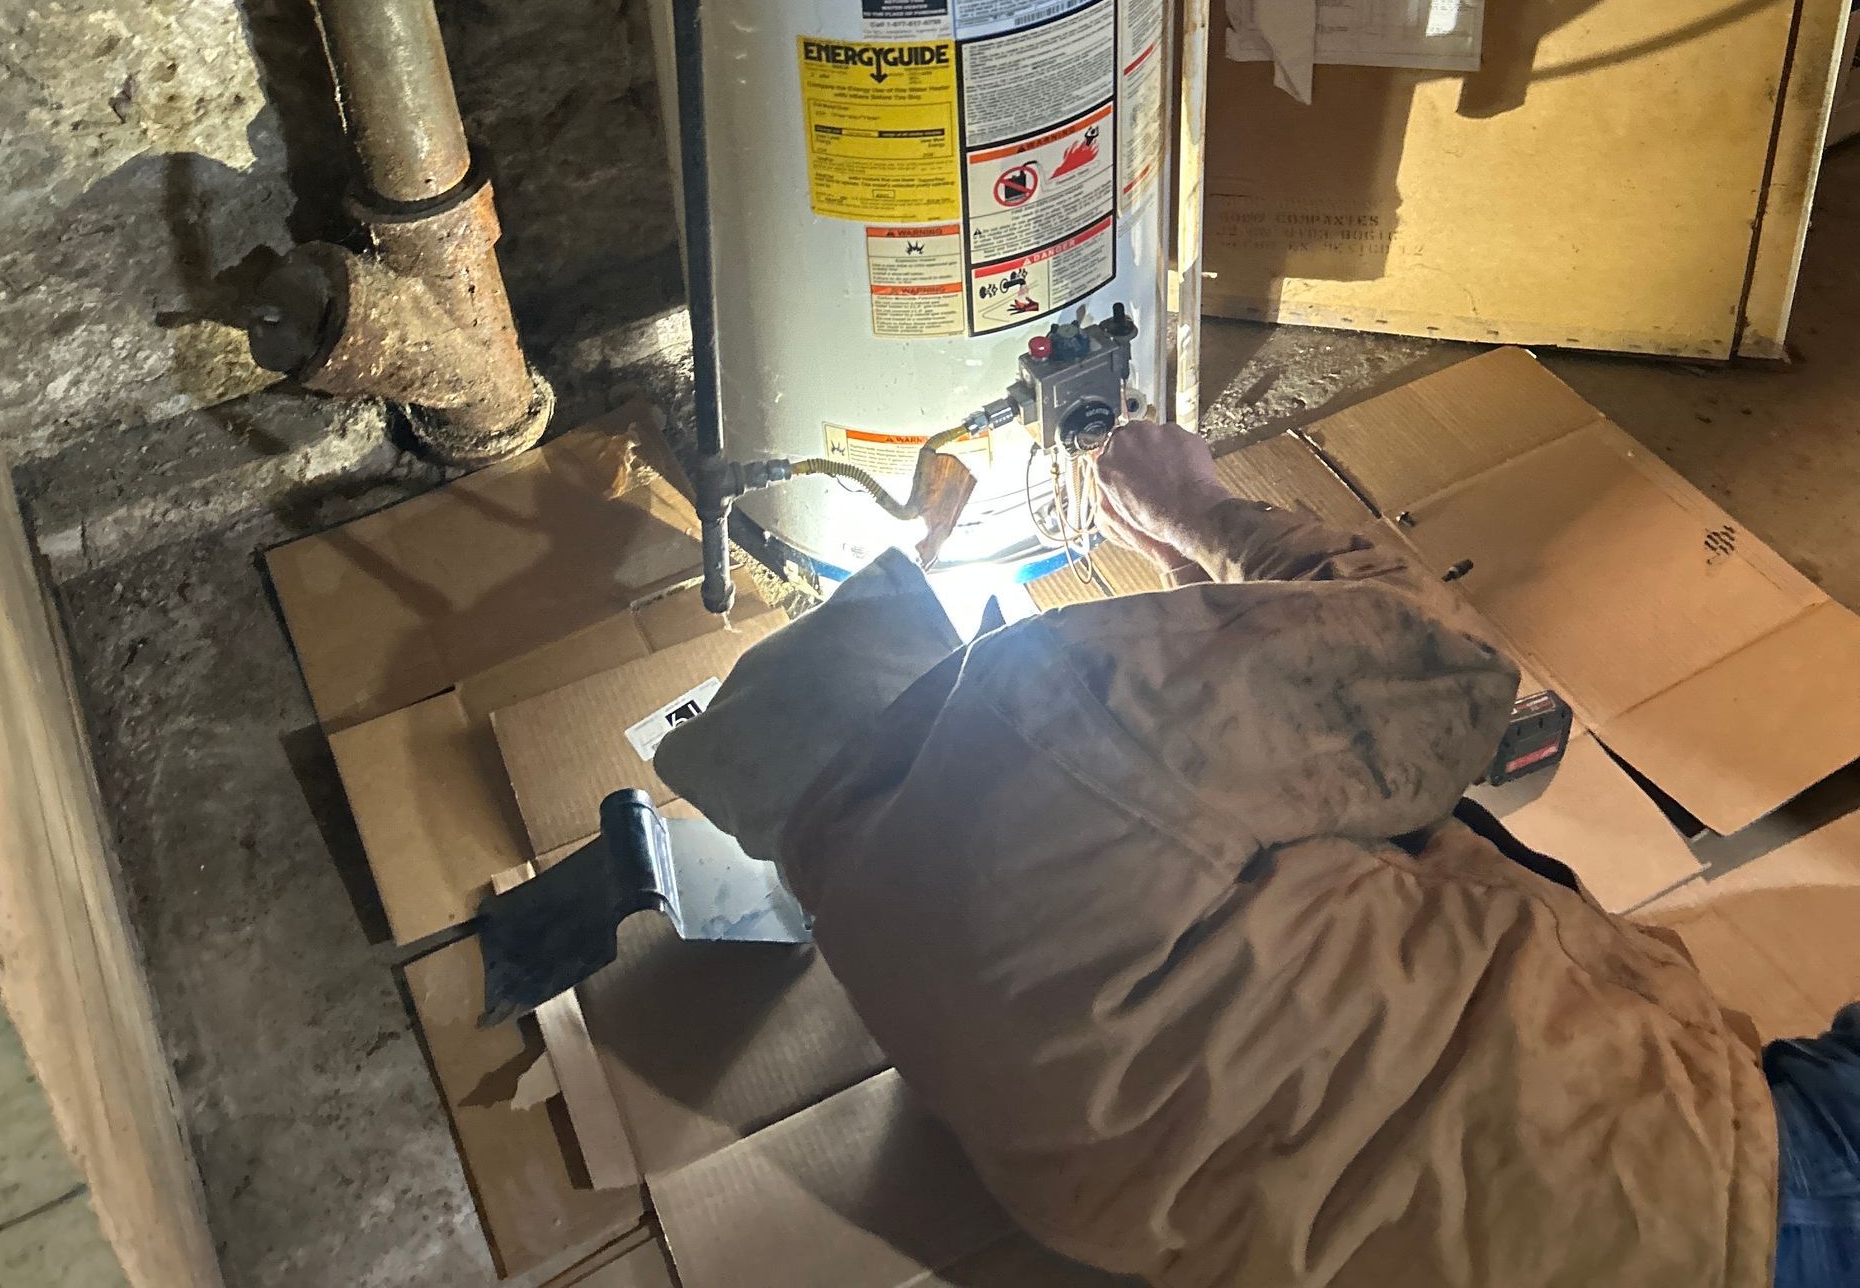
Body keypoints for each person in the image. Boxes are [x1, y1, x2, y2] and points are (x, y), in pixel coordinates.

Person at [766, 419, 1858, 1288]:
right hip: (1720, 1196)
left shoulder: (871, 939)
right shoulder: (1044, 712)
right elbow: (1448, 670)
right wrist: (1198, 510)